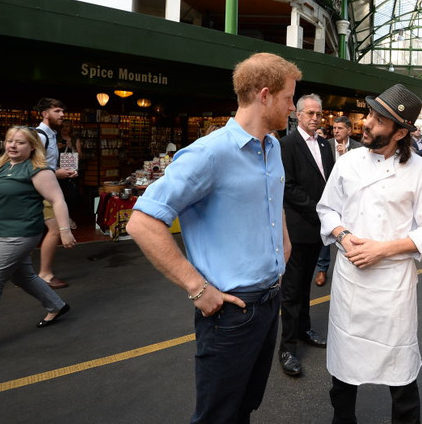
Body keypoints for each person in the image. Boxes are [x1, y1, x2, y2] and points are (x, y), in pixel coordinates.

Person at [125, 52, 300, 424]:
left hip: (269, 301)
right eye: (289, 97)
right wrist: (198, 289)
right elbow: (141, 222)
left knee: (245, 406)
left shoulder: (272, 148)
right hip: (230, 312)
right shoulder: (209, 153)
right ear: (264, 95)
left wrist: (283, 246)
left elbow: (274, 199)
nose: (293, 107)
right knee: (216, 416)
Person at [316, 83, 422, 424]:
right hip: (351, 282)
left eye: (379, 119)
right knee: (344, 370)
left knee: (400, 372)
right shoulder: (348, 163)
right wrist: (343, 236)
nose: (367, 123)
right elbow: (327, 210)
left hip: (393, 287)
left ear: (401, 132)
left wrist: (381, 250)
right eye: (370, 114)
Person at [0, 126, 75, 364]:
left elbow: (57, 200)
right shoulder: (2, 165)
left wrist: (64, 230)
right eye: (9, 141)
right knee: (22, 276)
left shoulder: (38, 170)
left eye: (19, 142)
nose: (13, 146)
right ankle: (56, 305)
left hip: (18, 233)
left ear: (32, 146)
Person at [279, 94, 334, 377]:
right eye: (309, 113)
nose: (315, 117)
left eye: (318, 113)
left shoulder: (326, 145)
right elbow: (287, 186)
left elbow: (329, 182)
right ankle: (287, 347)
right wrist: (320, 211)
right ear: (298, 115)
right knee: (291, 290)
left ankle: (304, 329)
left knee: (305, 287)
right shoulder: (286, 145)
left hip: (317, 230)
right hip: (298, 228)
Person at [34, 98, 78, 289]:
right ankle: (45, 274)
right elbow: (32, 166)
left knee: (30, 233)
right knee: (53, 230)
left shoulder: (51, 135)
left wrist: (61, 170)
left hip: (46, 188)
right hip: (41, 191)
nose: (62, 115)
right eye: (57, 111)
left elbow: (46, 164)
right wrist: (55, 172)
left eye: (62, 111)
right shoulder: (40, 136)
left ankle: (26, 275)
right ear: (45, 113)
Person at [316, 116, 362, 287]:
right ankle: (322, 268)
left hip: (351, 199)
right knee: (328, 228)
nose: (336, 131)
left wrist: (345, 156)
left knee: (350, 233)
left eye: (340, 128)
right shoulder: (325, 145)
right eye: (334, 128)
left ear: (349, 130)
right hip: (329, 196)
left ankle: (352, 265)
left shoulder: (359, 149)